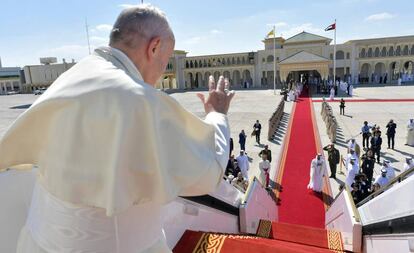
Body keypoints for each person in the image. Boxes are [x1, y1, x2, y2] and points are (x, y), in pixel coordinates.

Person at [0, 5, 236, 253]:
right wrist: (217, 115)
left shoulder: (71, 77)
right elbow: (209, 172)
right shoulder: (139, 99)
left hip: (38, 243)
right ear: (153, 47)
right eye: (165, 62)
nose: (160, 75)